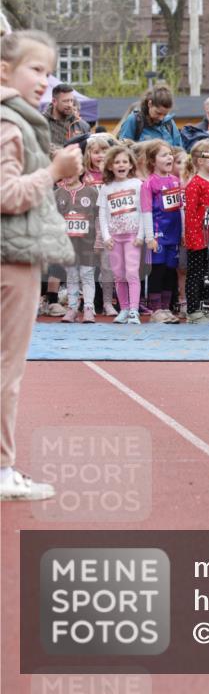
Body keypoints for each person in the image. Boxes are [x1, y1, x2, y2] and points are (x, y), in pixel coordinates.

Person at [1, 29, 82, 500]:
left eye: (49, 71)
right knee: (7, 371)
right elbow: (6, 194)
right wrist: (53, 173)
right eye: (35, 68)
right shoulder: (10, 123)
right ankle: (2, 470)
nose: (44, 81)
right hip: (11, 258)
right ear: (4, 70)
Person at [98, 145, 145, 325]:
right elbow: (102, 214)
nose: (121, 165)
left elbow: (143, 210)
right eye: (117, 162)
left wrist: (141, 235)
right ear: (110, 166)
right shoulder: (106, 188)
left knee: (132, 273)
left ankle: (134, 310)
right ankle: (124, 309)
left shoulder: (137, 185)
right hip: (114, 238)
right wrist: (106, 236)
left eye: (125, 161)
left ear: (131, 165)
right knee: (118, 274)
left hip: (132, 236)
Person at [141, 140, 183, 323]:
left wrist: (182, 233)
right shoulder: (149, 184)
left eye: (170, 154)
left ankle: (166, 308)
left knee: (170, 271)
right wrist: (149, 236)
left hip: (173, 235)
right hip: (157, 236)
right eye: (164, 155)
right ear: (153, 160)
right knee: (157, 271)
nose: (169, 158)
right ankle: (155, 309)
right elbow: (146, 210)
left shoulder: (176, 181)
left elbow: (180, 208)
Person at [54, 166, 98, 323]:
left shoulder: (92, 192)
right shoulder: (57, 194)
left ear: (80, 171)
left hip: (87, 243)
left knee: (87, 275)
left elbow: (99, 217)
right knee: (71, 275)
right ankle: (72, 308)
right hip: (68, 245)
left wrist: (99, 238)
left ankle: (88, 308)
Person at [183, 139, 209, 323]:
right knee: (195, 273)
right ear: (200, 161)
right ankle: (192, 310)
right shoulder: (195, 184)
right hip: (198, 237)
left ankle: (205, 307)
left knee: (207, 273)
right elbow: (189, 214)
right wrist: (193, 238)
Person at [83, 133, 118, 316]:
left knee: (107, 266)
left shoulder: (112, 177)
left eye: (105, 151)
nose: (101, 156)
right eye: (96, 152)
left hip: (108, 226)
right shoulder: (84, 176)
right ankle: (89, 302)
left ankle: (107, 302)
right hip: (88, 227)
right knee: (90, 266)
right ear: (88, 154)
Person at [118, 85, 182, 146]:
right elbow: (123, 149)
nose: (161, 118)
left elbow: (179, 149)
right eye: (158, 113)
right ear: (150, 104)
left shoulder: (169, 123)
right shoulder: (134, 120)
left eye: (165, 114)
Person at [43, 82, 90, 149]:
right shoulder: (41, 123)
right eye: (65, 101)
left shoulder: (82, 126)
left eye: (71, 101)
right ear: (54, 101)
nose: (70, 105)